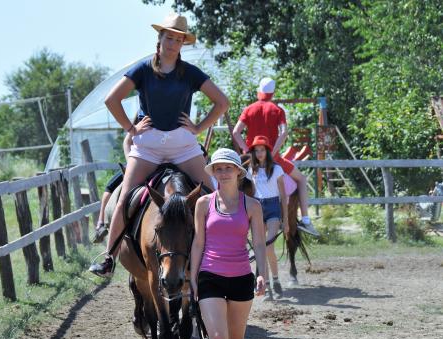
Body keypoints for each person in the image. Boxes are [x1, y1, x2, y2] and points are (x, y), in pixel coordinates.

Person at [89, 12, 229, 277]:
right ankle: (109, 258)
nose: (173, 43)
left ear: (183, 43)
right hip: (148, 147)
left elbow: (222, 103)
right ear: (160, 38)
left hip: (183, 146)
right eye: (169, 37)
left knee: (214, 192)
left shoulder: (190, 73)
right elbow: (111, 99)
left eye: (178, 39)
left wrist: (198, 127)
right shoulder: (142, 69)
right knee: (124, 198)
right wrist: (130, 128)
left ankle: (222, 252)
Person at [190, 148, 266, 339]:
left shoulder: (252, 206)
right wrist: (193, 276)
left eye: (227, 168)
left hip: (241, 277)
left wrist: (261, 273)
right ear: (213, 173)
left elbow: (258, 243)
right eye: (217, 168)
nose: (222, 172)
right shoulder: (203, 203)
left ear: (238, 172)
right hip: (210, 275)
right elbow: (198, 242)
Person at [233, 77, 319, 236]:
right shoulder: (277, 110)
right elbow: (284, 132)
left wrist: (247, 151)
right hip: (273, 158)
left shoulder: (249, 109)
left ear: (259, 91)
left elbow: (235, 132)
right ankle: (306, 219)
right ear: (273, 93)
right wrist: (272, 153)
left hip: (251, 157)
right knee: (301, 179)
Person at [247, 135, 288, 301]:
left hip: (273, 207)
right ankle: (267, 284)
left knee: (268, 247)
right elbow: (249, 193)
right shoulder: (251, 170)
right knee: (260, 249)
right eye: (256, 151)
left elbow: (283, 196)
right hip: (257, 207)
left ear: (267, 151)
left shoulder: (277, 169)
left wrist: (285, 220)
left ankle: (276, 279)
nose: (259, 153)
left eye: (262, 150)